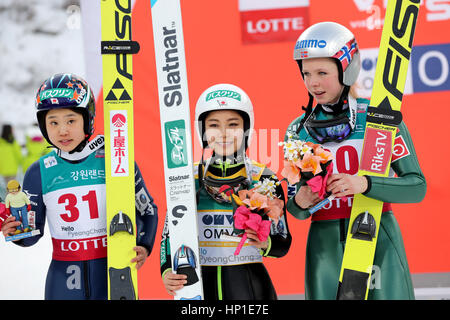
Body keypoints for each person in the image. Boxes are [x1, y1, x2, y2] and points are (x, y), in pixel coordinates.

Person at [285, 22, 426, 300]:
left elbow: (416, 186)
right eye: (306, 73)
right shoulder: (297, 130)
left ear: (347, 69)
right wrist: (300, 201)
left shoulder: (378, 118)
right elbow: (296, 210)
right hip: (324, 244)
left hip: (378, 236)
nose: (313, 82)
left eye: (322, 72)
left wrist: (364, 183)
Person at [1, 73, 158, 300]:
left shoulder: (115, 159)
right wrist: (16, 231)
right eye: (53, 122)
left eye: (71, 120)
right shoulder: (39, 171)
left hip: (112, 271)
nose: (62, 130)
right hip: (62, 278)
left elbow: (147, 209)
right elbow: (31, 234)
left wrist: (144, 245)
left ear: (88, 118)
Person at [160, 83, 292, 300]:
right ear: (202, 130)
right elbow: (169, 234)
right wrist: (166, 271)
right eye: (213, 125)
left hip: (250, 286)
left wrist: (266, 243)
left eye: (233, 124)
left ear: (246, 128)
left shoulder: (263, 177)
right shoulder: (187, 177)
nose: (223, 134)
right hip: (199, 286)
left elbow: (283, 241)